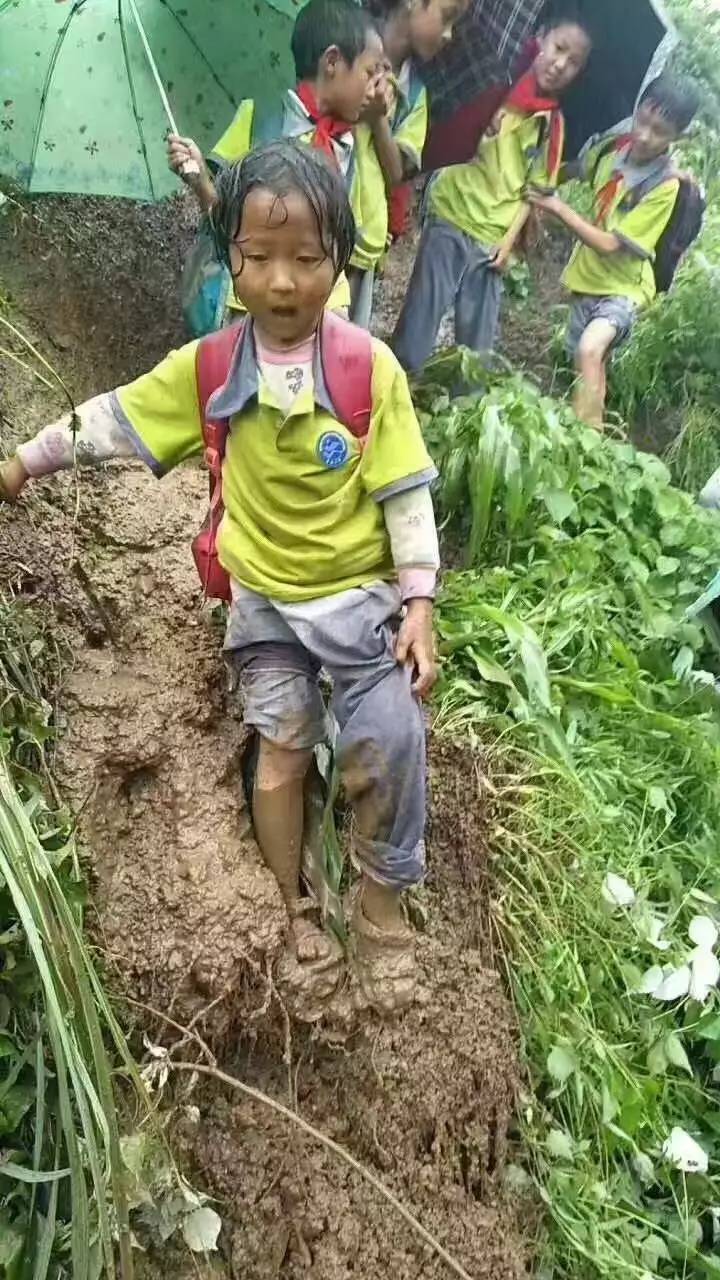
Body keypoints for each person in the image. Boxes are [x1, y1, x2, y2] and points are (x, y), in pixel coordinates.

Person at [0, 142, 440, 1019]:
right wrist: (22, 461)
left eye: (307, 258)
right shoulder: (208, 367)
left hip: (359, 603)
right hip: (265, 605)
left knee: (390, 739)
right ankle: (291, 907)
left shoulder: (367, 370)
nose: (283, 281)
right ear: (230, 256)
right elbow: (114, 419)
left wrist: (419, 601)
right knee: (279, 748)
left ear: (342, 257)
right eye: (259, 256)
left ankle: (382, 912)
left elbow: (405, 493)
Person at [391, 11, 592, 371]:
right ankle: (394, 392)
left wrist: (509, 244)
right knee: (419, 322)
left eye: (573, 62)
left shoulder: (551, 125)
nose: (561, 64)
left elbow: (536, 193)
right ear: (541, 37)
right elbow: (448, 123)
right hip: (452, 209)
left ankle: (465, 412)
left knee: (476, 347)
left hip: (493, 236)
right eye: (559, 48)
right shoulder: (493, 81)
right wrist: (484, 117)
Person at [167, 0, 384, 325]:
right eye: (369, 72)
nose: (374, 89)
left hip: (309, 320)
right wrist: (199, 180)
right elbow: (222, 215)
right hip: (245, 308)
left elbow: (350, 244)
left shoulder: (350, 148)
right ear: (333, 62)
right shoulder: (258, 119)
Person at [529, 74, 701, 427]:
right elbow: (574, 171)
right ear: (637, 107)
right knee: (591, 364)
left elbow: (610, 245)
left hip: (625, 289)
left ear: (678, 137)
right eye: (643, 120)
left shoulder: (665, 185)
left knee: (589, 349)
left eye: (660, 131)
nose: (644, 135)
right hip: (586, 281)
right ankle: (595, 434)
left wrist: (558, 208)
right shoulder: (612, 149)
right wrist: (537, 176)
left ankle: (585, 450)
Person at [347, 0, 469, 322]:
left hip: (362, 235)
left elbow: (397, 174)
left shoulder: (414, 94)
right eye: (446, 18)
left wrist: (378, 120)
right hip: (314, 209)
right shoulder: (345, 41)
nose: (448, 34)